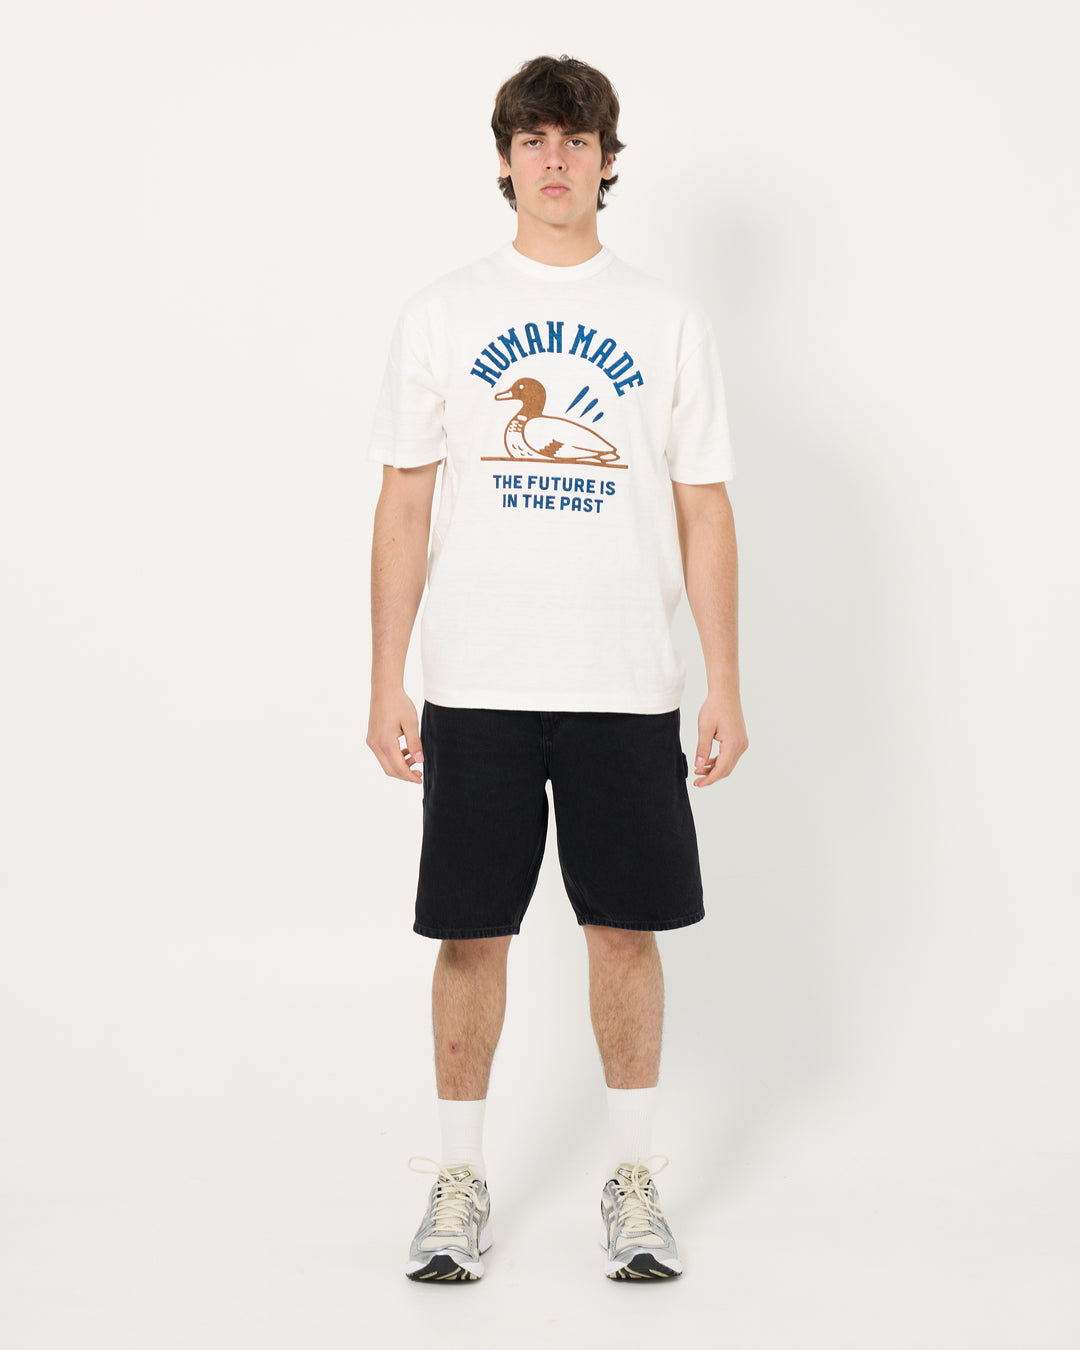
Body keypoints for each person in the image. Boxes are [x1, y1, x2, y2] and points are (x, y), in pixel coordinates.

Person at [366, 53, 748, 1283]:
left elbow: (704, 507)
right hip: (476, 679)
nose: (554, 158)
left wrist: (725, 679)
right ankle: (459, 1184)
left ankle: (632, 1184)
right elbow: (403, 503)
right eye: (533, 138)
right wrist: (385, 678)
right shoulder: (442, 312)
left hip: (624, 681)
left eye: (576, 139)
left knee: (623, 932)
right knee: (469, 934)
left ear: (606, 161)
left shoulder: (667, 318)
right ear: (504, 158)